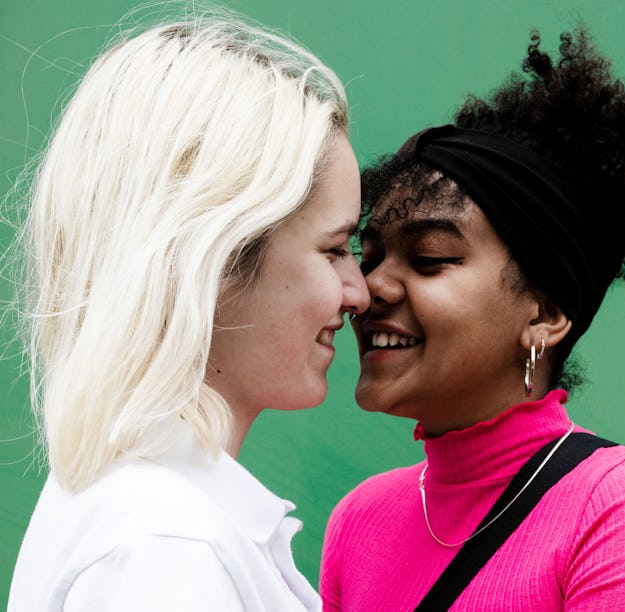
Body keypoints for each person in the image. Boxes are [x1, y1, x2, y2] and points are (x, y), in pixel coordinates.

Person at [321, 29, 625, 611]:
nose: (368, 287)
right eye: (370, 255)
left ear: (547, 313)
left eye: (428, 259)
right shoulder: (359, 521)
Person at [8, 11, 368, 612]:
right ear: (215, 258)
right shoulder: (165, 547)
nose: (357, 292)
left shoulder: (149, 515)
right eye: (333, 250)